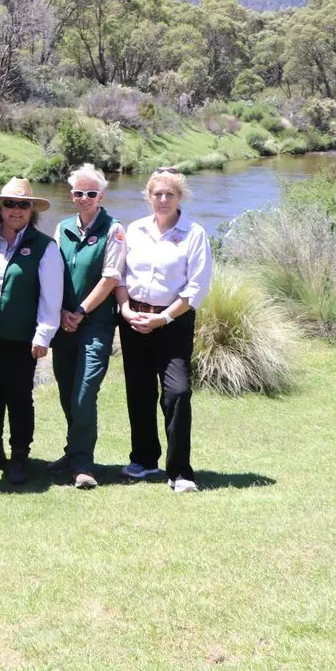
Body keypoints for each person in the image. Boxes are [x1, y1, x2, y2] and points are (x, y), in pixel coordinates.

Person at [115, 167, 214, 493]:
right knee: (140, 392)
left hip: (172, 323)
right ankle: (143, 460)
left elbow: (195, 288)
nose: (162, 199)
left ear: (180, 197)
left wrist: (164, 319)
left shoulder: (194, 233)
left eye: (169, 194)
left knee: (178, 392)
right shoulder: (136, 229)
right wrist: (126, 310)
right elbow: (121, 276)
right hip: (134, 321)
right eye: (156, 193)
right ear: (148, 196)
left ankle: (180, 472)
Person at [0, 178, 64, 485]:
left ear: (32, 210)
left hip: (21, 337)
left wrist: (43, 335)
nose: (16, 210)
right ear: (0, 206)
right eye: (10, 203)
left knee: (19, 397)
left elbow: (52, 297)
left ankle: (20, 454)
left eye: (24, 205)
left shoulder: (45, 246)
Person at [49, 163, 126, 490]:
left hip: (95, 324)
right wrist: (61, 312)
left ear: (101, 196)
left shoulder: (113, 229)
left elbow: (111, 278)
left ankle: (84, 464)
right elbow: (51, 274)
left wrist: (80, 310)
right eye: (78, 193)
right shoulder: (62, 227)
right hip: (63, 323)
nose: (83, 198)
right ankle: (72, 452)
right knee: (67, 390)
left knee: (84, 392)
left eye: (90, 193)